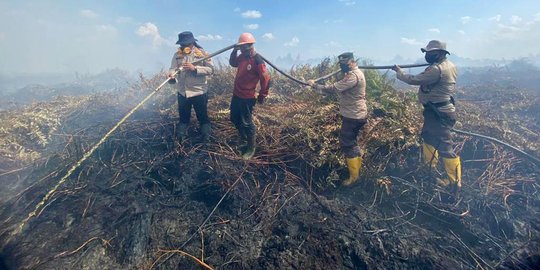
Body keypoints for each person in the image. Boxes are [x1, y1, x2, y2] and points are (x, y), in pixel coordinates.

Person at [391, 40, 461, 196]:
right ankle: (429, 168)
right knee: (428, 138)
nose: (427, 55)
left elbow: (414, 80)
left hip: (440, 112)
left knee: (444, 146)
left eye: (430, 52)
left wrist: (399, 72)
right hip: (434, 111)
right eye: (426, 52)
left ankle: (454, 184)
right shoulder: (449, 65)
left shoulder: (437, 69)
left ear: (440, 53)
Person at [308, 52, 367, 186]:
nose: (342, 66)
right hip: (356, 114)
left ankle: (354, 178)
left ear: (352, 62)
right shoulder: (352, 74)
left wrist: (314, 85)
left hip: (353, 116)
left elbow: (333, 88)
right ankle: (357, 172)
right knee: (352, 143)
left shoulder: (353, 76)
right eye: (340, 64)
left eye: (344, 64)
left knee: (347, 143)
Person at [229, 32, 271, 160]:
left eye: (243, 47)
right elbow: (233, 63)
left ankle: (251, 147)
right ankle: (243, 139)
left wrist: (262, 95)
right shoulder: (242, 57)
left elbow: (266, 79)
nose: (242, 49)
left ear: (250, 46)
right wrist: (234, 51)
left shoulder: (258, 60)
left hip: (247, 97)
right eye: (240, 47)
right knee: (234, 118)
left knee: (247, 123)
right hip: (237, 94)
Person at [168, 31, 214, 142]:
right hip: (183, 92)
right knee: (183, 118)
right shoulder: (177, 55)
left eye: (186, 44)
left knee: (202, 117)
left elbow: (211, 69)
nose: (184, 47)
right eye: (182, 45)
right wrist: (171, 74)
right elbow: (172, 68)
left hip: (199, 92)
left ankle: (206, 138)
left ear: (192, 43)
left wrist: (195, 69)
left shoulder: (203, 54)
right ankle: (181, 139)